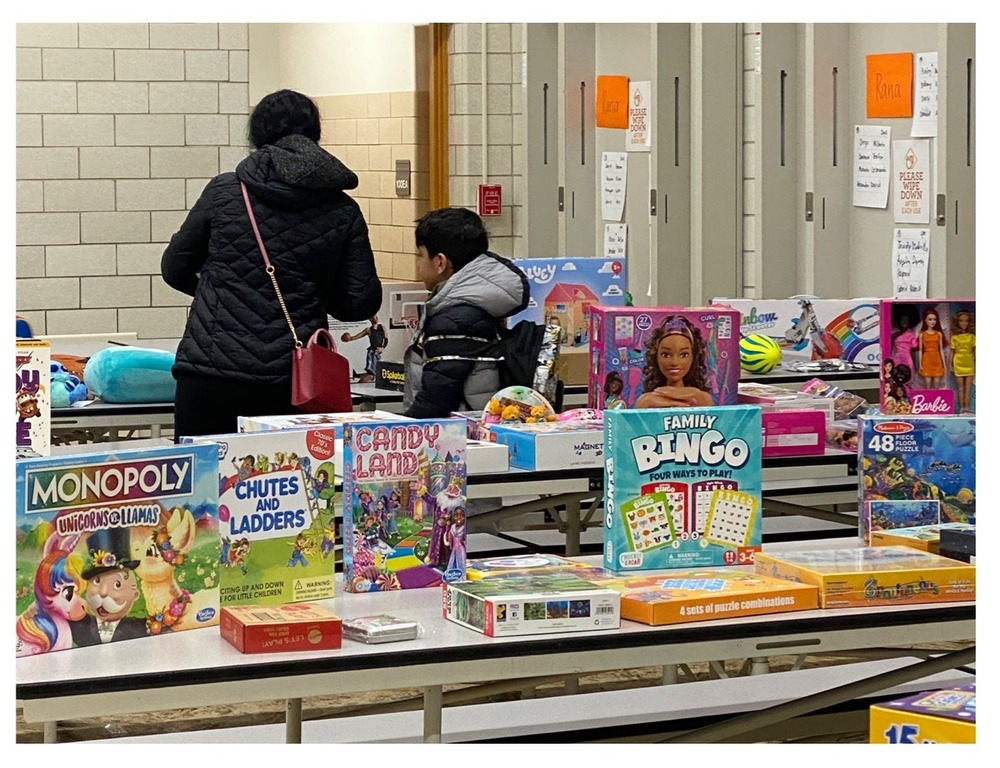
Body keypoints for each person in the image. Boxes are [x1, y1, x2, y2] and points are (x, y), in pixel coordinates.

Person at [161, 89, 382, 437]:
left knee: (203, 471)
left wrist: (221, 293)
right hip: (294, 380)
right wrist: (310, 293)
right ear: (315, 134)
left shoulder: (224, 191)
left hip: (211, 372)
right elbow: (360, 302)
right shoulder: (343, 210)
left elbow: (175, 268)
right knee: (290, 473)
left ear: (257, 135)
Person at [402, 207, 529, 418]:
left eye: (420, 255)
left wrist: (396, 429)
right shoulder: (474, 304)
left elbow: (436, 401)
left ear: (440, 262)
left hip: (458, 434)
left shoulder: (456, 320)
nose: (418, 264)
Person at [70, 529, 147, 647]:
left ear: (135, 594)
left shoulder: (141, 627)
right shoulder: (77, 626)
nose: (103, 592)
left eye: (117, 585)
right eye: (97, 581)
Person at [634, 315, 714, 409]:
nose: (674, 362)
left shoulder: (702, 399)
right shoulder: (646, 401)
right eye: (666, 355)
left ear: (693, 357)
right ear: (656, 357)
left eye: (684, 355)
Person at [341, 315, 387, 383]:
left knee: (376, 372)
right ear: (370, 319)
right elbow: (355, 337)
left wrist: (382, 348)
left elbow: (386, 340)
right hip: (372, 353)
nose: (375, 318)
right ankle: (359, 385)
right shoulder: (368, 330)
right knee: (371, 374)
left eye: (376, 316)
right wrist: (349, 338)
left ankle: (357, 375)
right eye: (373, 317)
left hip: (377, 353)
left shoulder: (382, 327)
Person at [950, 309, 975, 413]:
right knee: (960, 388)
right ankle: (962, 409)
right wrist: (950, 365)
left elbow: (974, 351)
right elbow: (952, 352)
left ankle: (967, 408)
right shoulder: (954, 337)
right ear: (957, 322)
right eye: (961, 321)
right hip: (958, 361)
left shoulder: (972, 337)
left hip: (969, 361)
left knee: (968, 388)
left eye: (966, 321)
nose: (964, 323)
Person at [916, 307, 948, 390]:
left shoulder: (939, 334)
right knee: (927, 385)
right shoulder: (922, 334)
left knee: (937, 385)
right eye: (930, 319)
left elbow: (941, 349)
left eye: (934, 319)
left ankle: (936, 398)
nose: (932, 321)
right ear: (925, 321)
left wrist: (944, 365)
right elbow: (920, 350)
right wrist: (920, 365)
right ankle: (928, 398)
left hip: (937, 359)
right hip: (926, 360)